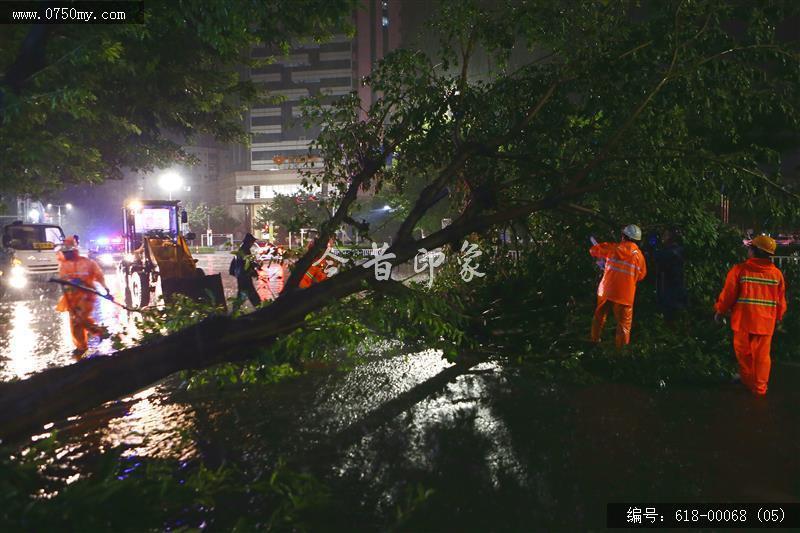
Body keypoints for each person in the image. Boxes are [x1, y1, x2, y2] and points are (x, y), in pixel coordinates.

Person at [714, 235, 787, 396]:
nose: (747, 250)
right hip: (766, 323)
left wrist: (720, 311)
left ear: (754, 251)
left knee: (744, 355)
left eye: (749, 247)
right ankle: (760, 388)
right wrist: (779, 318)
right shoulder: (777, 275)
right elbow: (780, 301)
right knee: (762, 358)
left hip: (743, 322)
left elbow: (728, 295)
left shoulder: (740, 270)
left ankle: (749, 383)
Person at [589, 224, 648, 347]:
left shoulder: (613, 248)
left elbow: (593, 250)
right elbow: (641, 276)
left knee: (599, 317)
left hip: (606, 291)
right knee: (624, 326)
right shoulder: (640, 257)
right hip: (625, 295)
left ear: (623, 236)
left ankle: (594, 342)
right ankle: (621, 354)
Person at [55, 236, 111, 356]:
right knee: (75, 323)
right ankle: (82, 346)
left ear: (74, 250)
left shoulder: (87, 263)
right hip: (71, 298)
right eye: (65, 252)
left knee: (80, 318)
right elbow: (64, 281)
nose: (66, 254)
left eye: (68, 252)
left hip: (87, 296)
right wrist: (70, 284)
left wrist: (106, 289)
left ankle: (99, 332)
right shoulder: (64, 265)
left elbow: (99, 275)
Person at [653, 227, 688, 323]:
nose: (663, 238)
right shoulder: (678, 250)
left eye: (665, 235)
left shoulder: (670, 252)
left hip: (670, 287)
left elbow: (657, 258)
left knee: (670, 312)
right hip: (675, 286)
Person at [231, 232, 261, 306]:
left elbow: (247, 262)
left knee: (242, 294)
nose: (252, 243)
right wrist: (254, 271)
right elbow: (246, 264)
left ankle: (234, 311)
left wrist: (255, 266)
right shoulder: (245, 250)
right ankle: (260, 308)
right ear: (249, 242)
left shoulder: (242, 249)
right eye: (252, 242)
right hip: (244, 276)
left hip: (241, 276)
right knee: (251, 294)